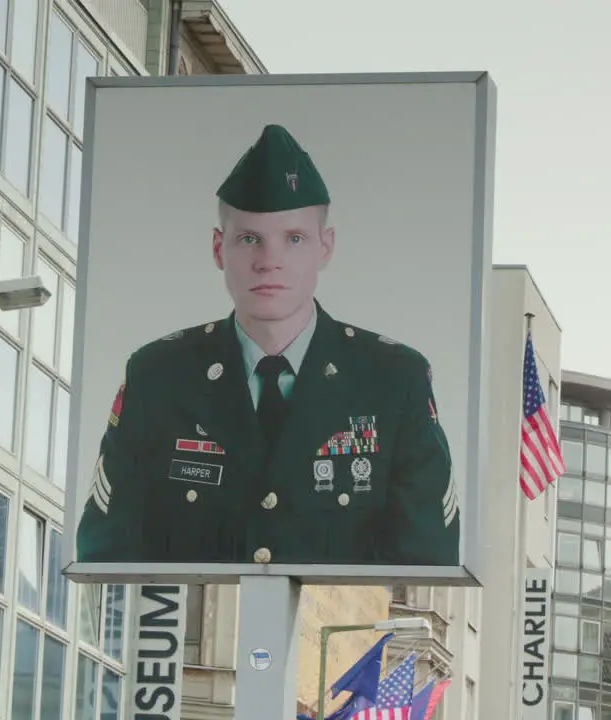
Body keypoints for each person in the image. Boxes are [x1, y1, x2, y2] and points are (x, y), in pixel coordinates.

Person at [75, 124, 460, 566]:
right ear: (220, 249)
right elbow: (105, 553)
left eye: (293, 239)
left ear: (325, 247)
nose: (268, 260)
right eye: (249, 238)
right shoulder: (158, 376)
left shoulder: (393, 380)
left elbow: (429, 554)